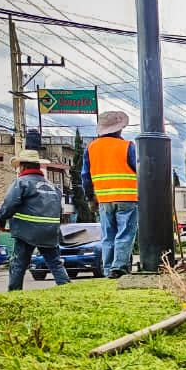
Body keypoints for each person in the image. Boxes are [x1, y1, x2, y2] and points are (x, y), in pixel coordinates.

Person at [0, 148, 69, 291]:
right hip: (50, 232)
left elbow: (9, 205)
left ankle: (15, 292)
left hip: (27, 232)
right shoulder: (53, 187)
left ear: (23, 166)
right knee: (55, 263)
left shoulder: (21, 183)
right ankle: (66, 289)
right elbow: (59, 210)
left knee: (18, 264)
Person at [81, 110, 138, 278]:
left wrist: (90, 198)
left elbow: (85, 176)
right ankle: (118, 266)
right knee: (125, 233)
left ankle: (108, 269)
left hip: (104, 199)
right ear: (119, 129)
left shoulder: (91, 148)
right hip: (127, 197)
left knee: (108, 235)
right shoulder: (127, 146)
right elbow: (140, 170)